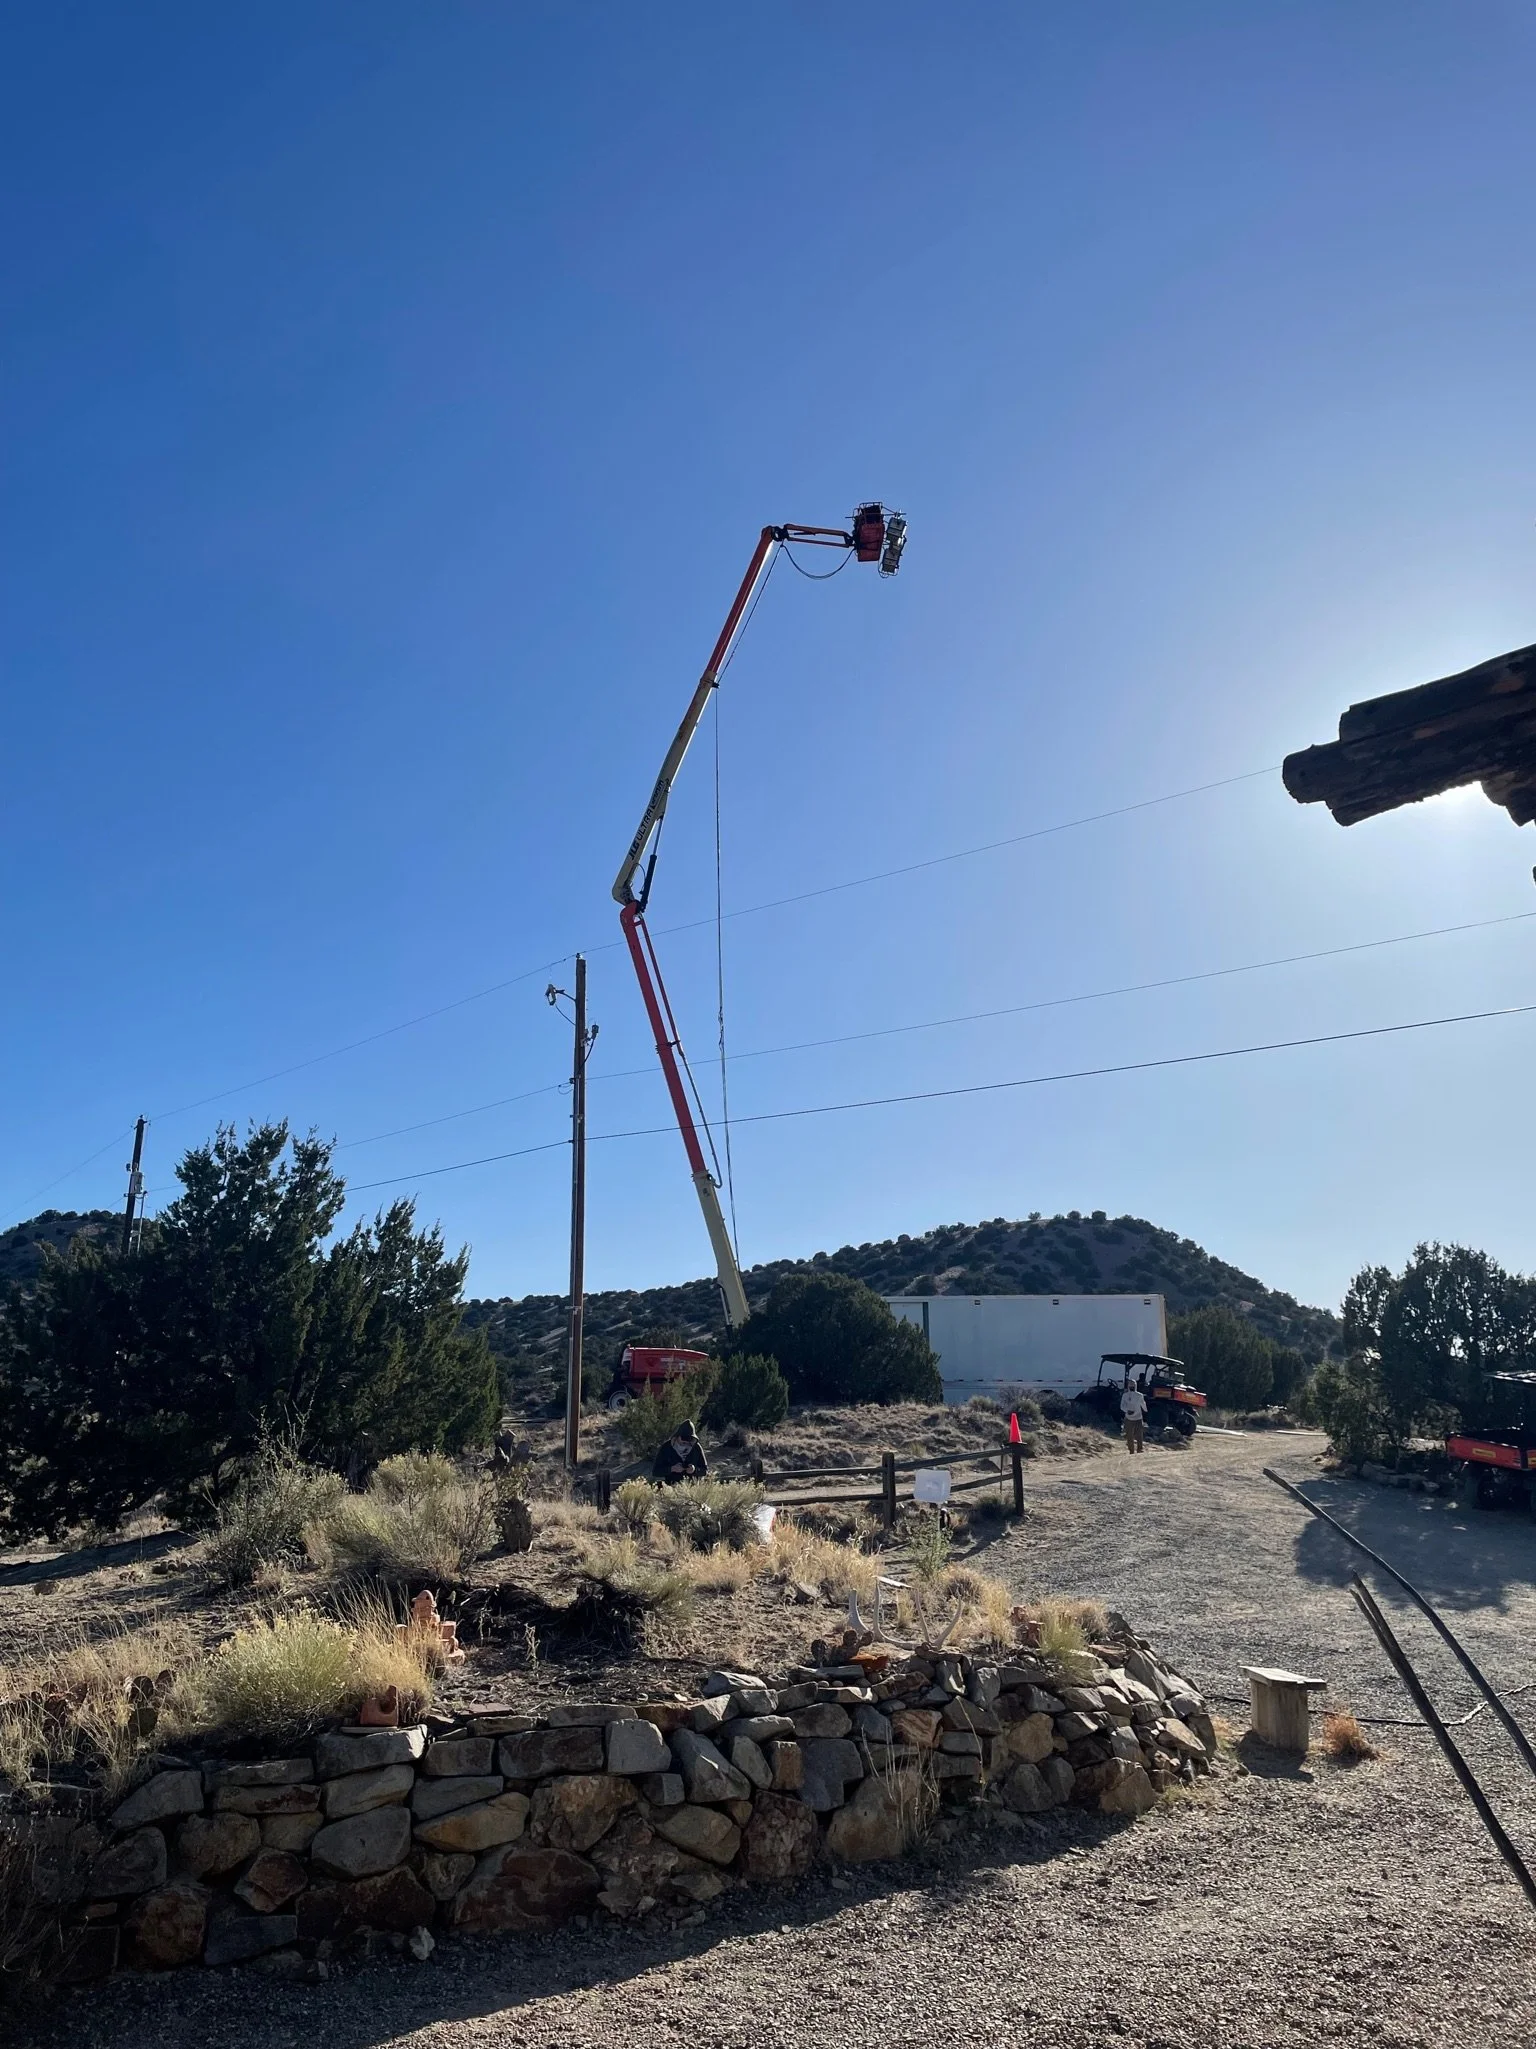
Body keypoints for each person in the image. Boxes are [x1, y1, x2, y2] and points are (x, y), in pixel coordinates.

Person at [652, 1418, 708, 1485]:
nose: (686, 1441)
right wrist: (671, 1469)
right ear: (677, 1436)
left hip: (692, 1488)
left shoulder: (696, 1448)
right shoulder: (666, 1447)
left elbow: (704, 1471)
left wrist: (694, 1469)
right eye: (684, 1438)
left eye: (689, 1438)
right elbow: (656, 1471)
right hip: (670, 1486)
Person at [1120, 1378, 1148, 1455]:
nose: (1132, 1386)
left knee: (1139, 1434)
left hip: (1138, 1417)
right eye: (1130, 1385)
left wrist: (1145, 1410)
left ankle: (1139, 1449)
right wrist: (1127, 1411)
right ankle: (1131, 1450)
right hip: (1129, 1418)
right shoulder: (1125, 1395)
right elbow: (1122, 1406)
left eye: (1133, 1385)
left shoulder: (1139, 1395)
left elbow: (1143, 1404)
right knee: (1130, 1435)